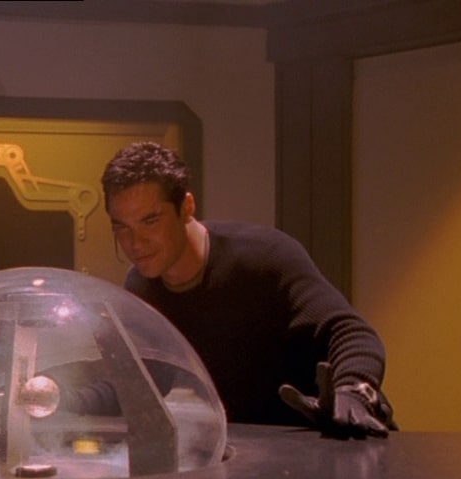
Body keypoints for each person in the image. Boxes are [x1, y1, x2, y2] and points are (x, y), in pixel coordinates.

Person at [100, 141, 397, 438]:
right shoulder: (141, 287)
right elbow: (146, 375)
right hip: (251, 449)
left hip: (334, 436)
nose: (135, 242)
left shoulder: (264, 257)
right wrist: (74, 396)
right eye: (122, 227)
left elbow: (351, 333)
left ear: (187, 207)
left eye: (150, 221)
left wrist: (354, 391)